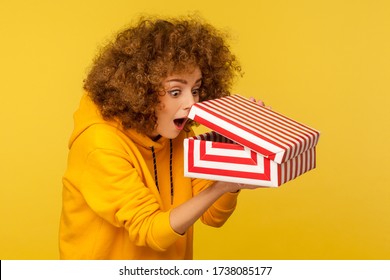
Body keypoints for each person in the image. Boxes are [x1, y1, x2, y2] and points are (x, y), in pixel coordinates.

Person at [59, 15, 264, 260]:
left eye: (196, 89)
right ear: (139, 92)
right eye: (175, 91)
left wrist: (233, 167)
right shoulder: (99, 146)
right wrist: (222, 186)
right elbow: (150, 231)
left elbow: (213, 217)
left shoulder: (177, 132)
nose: (191, 103)